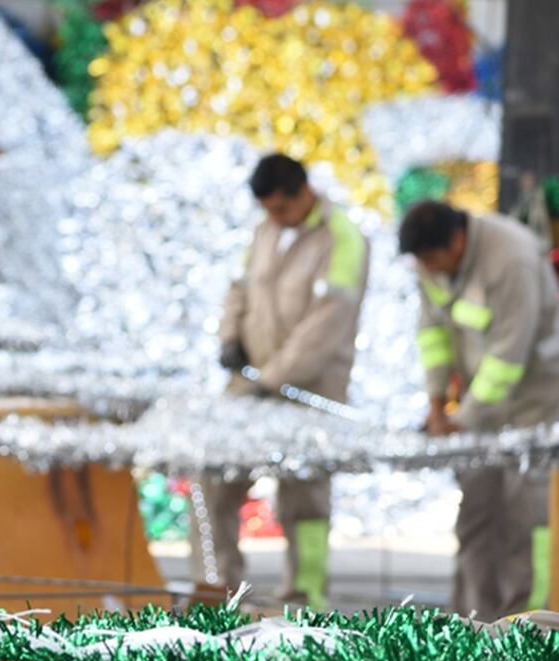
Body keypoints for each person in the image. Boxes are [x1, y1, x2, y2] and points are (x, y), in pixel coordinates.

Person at [194, 153, 369, 607]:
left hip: (311, 391)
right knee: (214, 476)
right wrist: (230, 336)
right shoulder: (265, 230)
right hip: (250, 383)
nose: (272, 217)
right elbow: (239, 287)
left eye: (279, 208)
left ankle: (304, 600)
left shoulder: (342, 238)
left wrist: (272, 378)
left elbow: (326, 325)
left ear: (303, 192)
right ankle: (216, 592)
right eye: (266, 210)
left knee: (305, 499)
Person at [399, 200, 556, 620]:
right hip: (476, 405)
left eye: (433, 260)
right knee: (476, 516)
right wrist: (437, 402)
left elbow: (508, 357)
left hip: (535, 404)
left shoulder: (512, 259)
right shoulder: (430, 262)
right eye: (422, 263)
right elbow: (431, 331)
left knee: (525, 520)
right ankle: (474, 623)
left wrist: (460, 420)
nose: (429, 270)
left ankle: (527, 626)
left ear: (458, 239)